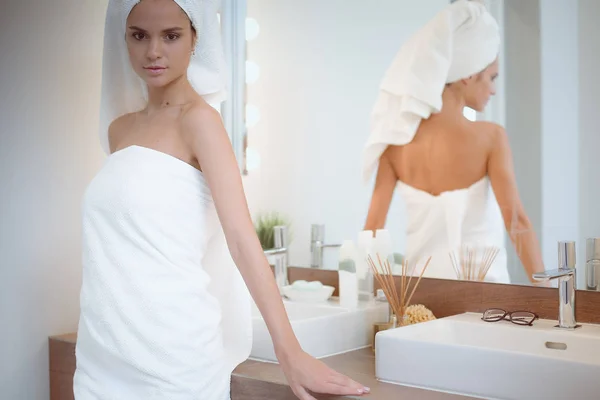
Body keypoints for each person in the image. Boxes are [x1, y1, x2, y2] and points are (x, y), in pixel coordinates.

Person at [73, 1, 370, 399]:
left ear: (195, 38)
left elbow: (241, 239)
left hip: (171, 359)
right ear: (123, 38)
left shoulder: (199, 122)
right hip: (102, 357)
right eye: (139, 35)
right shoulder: (119, 131)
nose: (153, 51)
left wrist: (291, 352)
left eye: (171, 36)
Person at [361, 0, 545, 283]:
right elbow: (517, 221)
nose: (494, 90)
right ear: (469, 75)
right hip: (486, 305)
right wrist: (547, 294)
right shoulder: (491, 138)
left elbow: (372, 231)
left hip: (420, 304)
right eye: (492, 77)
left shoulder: (394, 146)